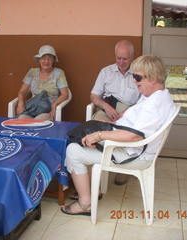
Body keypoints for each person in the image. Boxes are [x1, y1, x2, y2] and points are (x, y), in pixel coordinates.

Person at [61, 55, 177, 216]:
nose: (134, 81)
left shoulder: (154, 105)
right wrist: (121, 119)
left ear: (154, 78)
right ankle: (93, 191)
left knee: (74, 150)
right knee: (81, 137)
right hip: (131, 145)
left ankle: (85, 203)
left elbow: (134, 136)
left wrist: (100, 135)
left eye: (137, 77)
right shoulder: (158, 95)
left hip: (133, 153)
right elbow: (138, 117)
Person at [89, 40, 141, 186]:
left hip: (130, 111)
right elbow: (94, 96)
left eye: (125, 58)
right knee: (95, 127)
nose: (121, 62)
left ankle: (122, 167)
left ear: (132, 57)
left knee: (128, 132)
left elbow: (144, 100)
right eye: (118, 58)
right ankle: (98, 166)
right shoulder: (106, 71)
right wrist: (106, 107)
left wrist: (128, 111)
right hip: (108, 109)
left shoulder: (139, 73)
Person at [16, 45, 69, 120]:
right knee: (21, 118)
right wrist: (20, 103)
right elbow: (22, 91)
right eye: (44, 58)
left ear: (53, 61)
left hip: (48, 111)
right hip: (32, 109)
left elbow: (65, 94)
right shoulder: (32, 72)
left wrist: (54, 105)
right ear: (39, 59)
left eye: (50, 59)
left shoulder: (59, 73)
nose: (46, 62)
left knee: (38, 121)